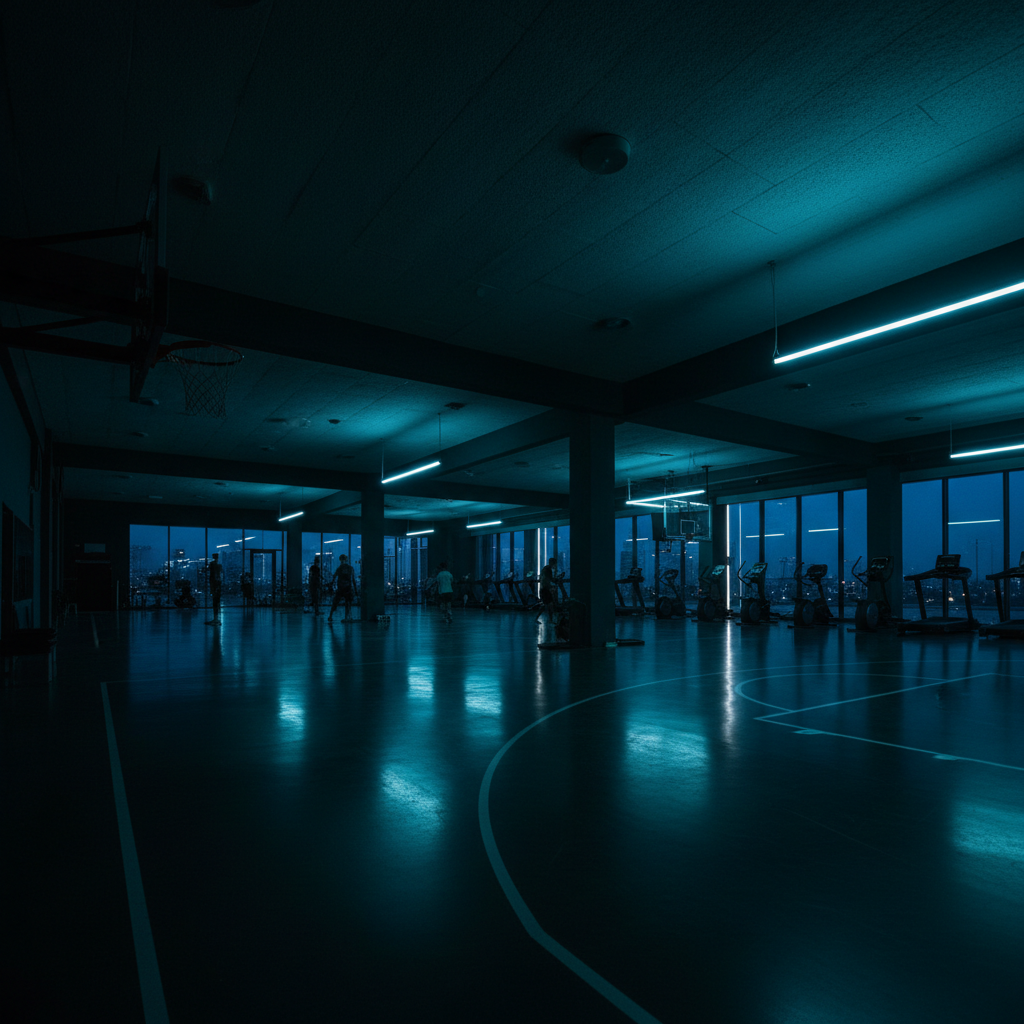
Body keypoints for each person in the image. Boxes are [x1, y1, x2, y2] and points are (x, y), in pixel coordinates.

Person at [327, 554, 356, 622]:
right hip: (347, 588)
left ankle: (330, 616)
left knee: (336, 602)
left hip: (341, 588)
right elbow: (353, 579)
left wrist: (331, 584)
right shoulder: (350, 568)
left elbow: (334, 577)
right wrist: (355, 590)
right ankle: (346, 617)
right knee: (347, 603)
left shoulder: (340, 568)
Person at [537, 556, 558, 623]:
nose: (555, 565)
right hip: (545, 589)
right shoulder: (548, 570)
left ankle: (538, 618)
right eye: (555, 564)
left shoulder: (545, 568)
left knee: (546, 604)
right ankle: (550, 620)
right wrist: (555, 581)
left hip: (543, 588)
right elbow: (550, 579)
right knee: (550, 604)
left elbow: (543, 579)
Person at [206, 553, 223, 625]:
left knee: (215, 602)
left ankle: (216, 619)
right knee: (217, 602)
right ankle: (216, 618)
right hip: (217, 586)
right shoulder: (219, 566)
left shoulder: (213, 566)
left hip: (215, 586)